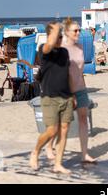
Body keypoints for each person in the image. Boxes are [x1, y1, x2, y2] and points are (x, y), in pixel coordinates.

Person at [29, 22, 74, 174]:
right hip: (50, 97)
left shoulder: (64, 52)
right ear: (50, 36)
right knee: (51, 131)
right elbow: (49, 45)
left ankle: (58, 163)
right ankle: (35, 151)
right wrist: (54, 31)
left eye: (61, 36)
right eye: (57, 36)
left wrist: (73, 95)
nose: (60, 39)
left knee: (64, 131)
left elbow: (68, 75)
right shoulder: (44, 50)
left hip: (66, 97)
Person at [55, 18, 96, 164]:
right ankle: (54, 151)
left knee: (84, 120)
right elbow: (62, 73)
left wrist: (83, 89)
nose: (78, 32)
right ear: (67, 32)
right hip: (66, 91)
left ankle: (84, 154)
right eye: (75, 30)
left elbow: (80, 71)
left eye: (79, 30)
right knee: (63, 124)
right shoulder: (62, 49)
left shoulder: (80, 47)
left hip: (81, 88)